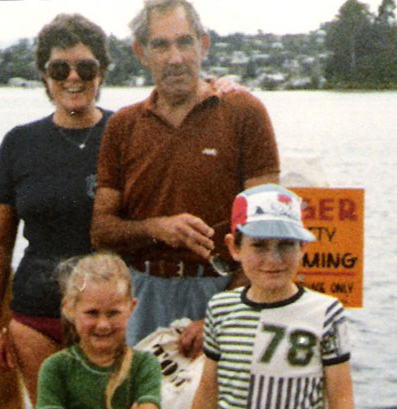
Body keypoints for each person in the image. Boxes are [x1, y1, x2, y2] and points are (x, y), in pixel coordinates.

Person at [90, 0, 280, 355]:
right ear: (140, 52)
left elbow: (269, 230)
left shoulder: (245, 113)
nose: (175, 57)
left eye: (185, 42)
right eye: (160, 45)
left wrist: (222, 314)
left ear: (203, 45)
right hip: (141, 296)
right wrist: (156, 228)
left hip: (224, 289)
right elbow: (101, 232)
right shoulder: (122, 127)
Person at [187, 184, 355, 409]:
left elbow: (341, 402)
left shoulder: (326, 312)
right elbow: (207, 393)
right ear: (234, 247)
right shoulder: (221, 308)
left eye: (287, 245)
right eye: (259, 245)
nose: (273, 259)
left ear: (303, 247)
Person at [0, 13, 113, 405]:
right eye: (60, 68)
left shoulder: (125, 133)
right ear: (44, 75)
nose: (73, 78)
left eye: (85, 67)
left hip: (108, 318)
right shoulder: (19, 143)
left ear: (102, 73)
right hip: (35, 318)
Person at [36, 252, 162, 409]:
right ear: (70, 309)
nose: (103, 324)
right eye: (92, 313)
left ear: (131, 308)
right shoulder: (56, 368)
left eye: (113, 313)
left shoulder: (144, 365)